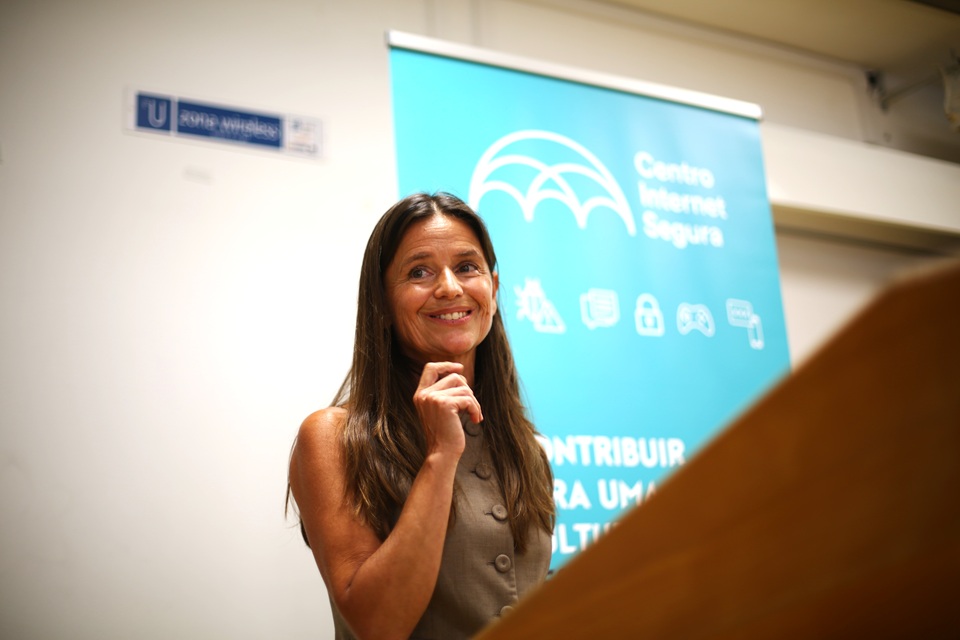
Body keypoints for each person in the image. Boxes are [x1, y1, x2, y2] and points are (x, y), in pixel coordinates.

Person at [287, 192, 556, 640]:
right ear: (382, 303)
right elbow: (378, 625)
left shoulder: (525, 446)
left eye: (467, 267)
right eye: (419, 272)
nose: (449, 287)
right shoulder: (332, 437)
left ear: (493, 288)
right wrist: (440, 457)